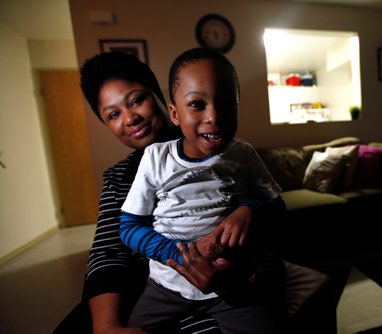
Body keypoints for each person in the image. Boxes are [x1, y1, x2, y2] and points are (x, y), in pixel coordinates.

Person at [53, 51, 252, 333]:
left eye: (136, 100)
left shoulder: (215, 148)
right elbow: (108, 251)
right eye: (113, 114)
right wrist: (107, 326)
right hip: (150, 284)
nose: (130, 118)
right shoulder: (119, 177)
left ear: (160, 98)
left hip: (219, 278)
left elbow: (259, 219)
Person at [119, 47, 286, 333]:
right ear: (174, 113)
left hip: (231, 284)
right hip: (166, 287)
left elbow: (277, 207)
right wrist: (182, 257)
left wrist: (250, 210)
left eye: (226, 104)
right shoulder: (156, 158)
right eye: (197, 104)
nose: (214, 116)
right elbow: (130, 227)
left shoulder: (242, 154)